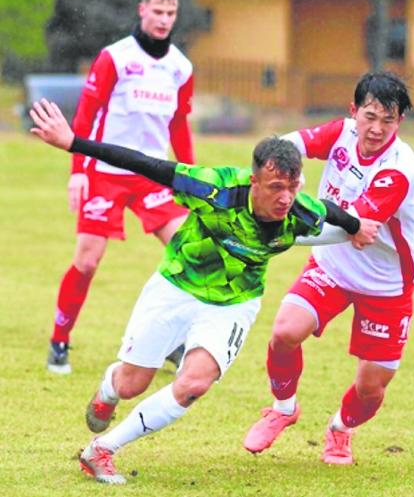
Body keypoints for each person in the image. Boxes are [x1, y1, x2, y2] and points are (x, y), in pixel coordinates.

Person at [30, 98, 381, 484]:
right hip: (176, 285)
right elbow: (146, 164)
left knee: (194, 382)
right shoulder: (215, 188)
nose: (285, 197)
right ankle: (110, 388)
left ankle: (102, 450)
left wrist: (355, 225)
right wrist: (73, 143)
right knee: (133, 383)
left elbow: (330, 211)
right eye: (276, 187)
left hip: (233, 304)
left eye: (292, 187)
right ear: (254, 181)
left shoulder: (299, 210)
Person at [244, 71, 414, 465]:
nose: (376, 129)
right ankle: (284, 407)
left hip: (385, 283)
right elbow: (287, 145)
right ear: (353, 110)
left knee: (372, 387)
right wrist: (282, 174)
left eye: (387, 121)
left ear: (399, 123)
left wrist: (279, 231)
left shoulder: (401, 168)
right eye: (370, 117)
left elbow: (353, 229)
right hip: (333, 267)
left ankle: (341, 429)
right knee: (285, 331)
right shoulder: (340, 133)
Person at [47, 0, 194, 374]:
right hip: (105, 173)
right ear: (142, 9)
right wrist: (78, 172)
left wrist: (191, 177)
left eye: (170, 13)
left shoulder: (181, 67)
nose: (164, 20)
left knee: (188, 251)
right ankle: (59, 340)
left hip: (152, 176)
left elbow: (179, 125)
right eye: (158, 12)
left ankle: (169, 342)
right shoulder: (115, 58)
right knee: (88, 259)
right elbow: (86, 116)